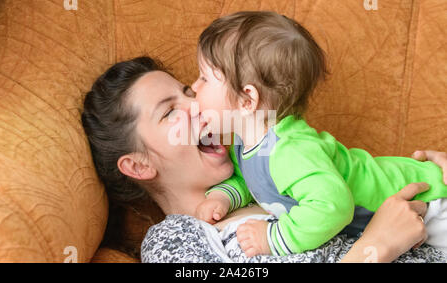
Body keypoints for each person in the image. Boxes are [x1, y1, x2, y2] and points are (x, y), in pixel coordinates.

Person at [80, 56, 447, 262]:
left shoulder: (265, 168)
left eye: (190, 92)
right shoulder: (173, 244)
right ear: (139, 165)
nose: (197, 105)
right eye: (169, 112)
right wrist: (376, 246)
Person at [191, 11, 447, 257]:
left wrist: (274, 237)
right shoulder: (246, 143)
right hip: (406, 216)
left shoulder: (289, 150)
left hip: (429, 200)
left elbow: (333, 206)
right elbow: (256, 182)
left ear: (248, 100)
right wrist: (223, 196)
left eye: (204, 78)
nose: (193, 87)